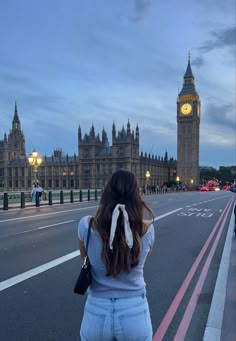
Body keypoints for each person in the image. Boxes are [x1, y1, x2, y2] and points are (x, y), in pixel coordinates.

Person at [77, 169, 155, 341]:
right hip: (134, 312)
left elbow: (86, 259)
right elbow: (138, 260)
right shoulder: (147, 230)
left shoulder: (86, 226)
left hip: (96, 312)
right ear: (136, 196)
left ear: (106, 194)